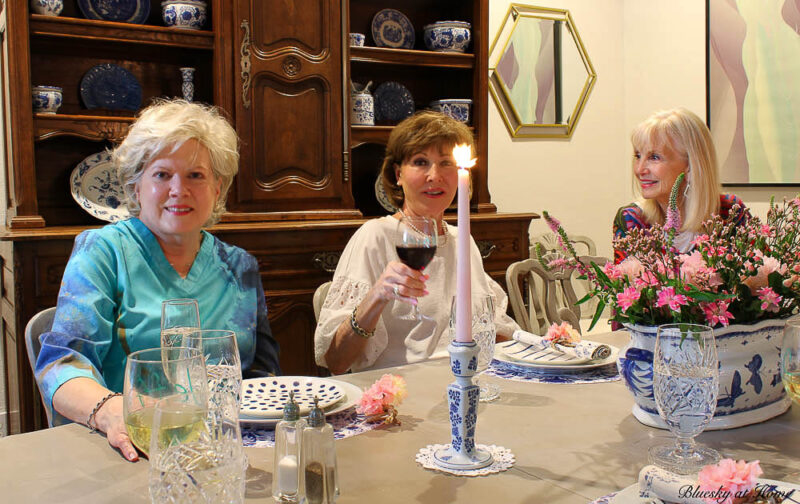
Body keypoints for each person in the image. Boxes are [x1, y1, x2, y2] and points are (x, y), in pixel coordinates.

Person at [35, 99, 280, 461]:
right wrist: (111, 410)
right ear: (136, 187)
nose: (179, 190)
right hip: (130, 449)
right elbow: (60, 364)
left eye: (196, 175)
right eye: (162, 174)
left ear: (218, 187)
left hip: (225, 452)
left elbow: (263, 375)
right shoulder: (103, 252)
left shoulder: (239, 266)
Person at [314, 111, 519, 375]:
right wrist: (376, 296)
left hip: (463, 384)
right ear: (398, 174)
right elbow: (336, 361)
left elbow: (492, 332)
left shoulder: (461, 239)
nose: (435, 176)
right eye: (421, 162)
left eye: (446, 163)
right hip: (397, 394)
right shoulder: (375, 236)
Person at [613, 108, 748, 263]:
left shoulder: (730, 211)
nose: (639, 169)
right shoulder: (632, 219)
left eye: (654, 157)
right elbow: (629, 285)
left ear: (691, 165)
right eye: (638, 156)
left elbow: (761, 277)